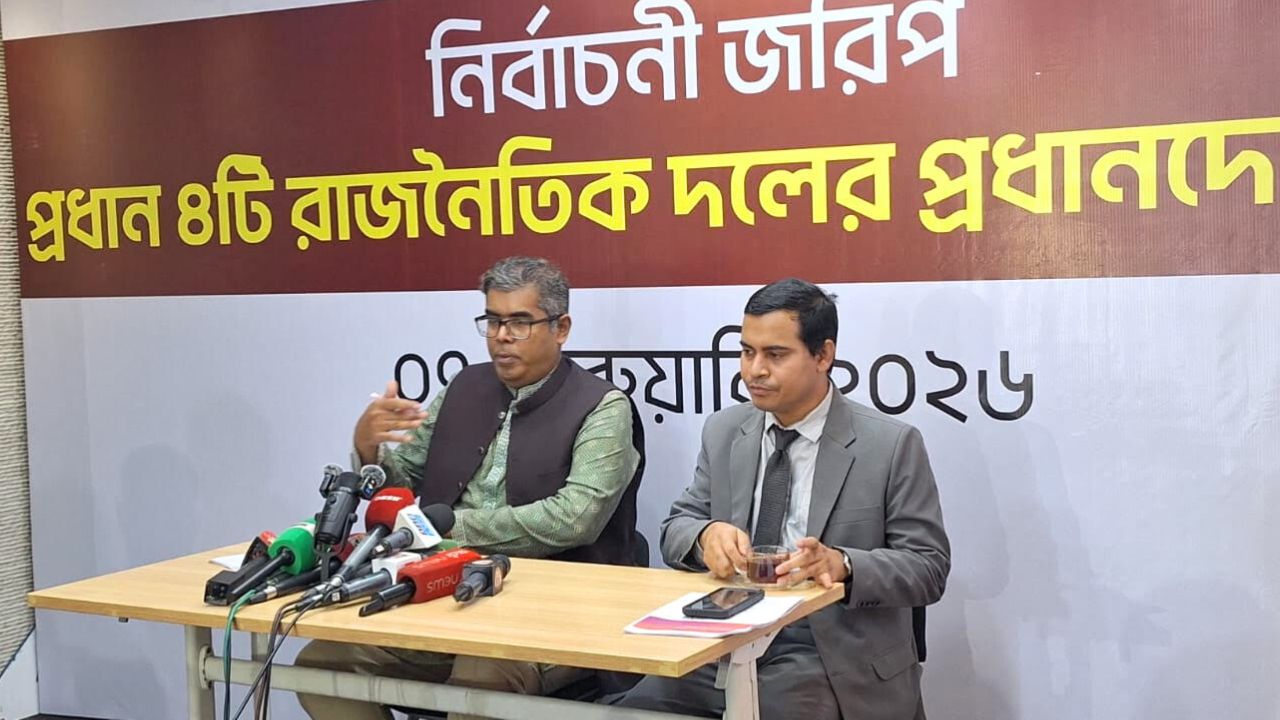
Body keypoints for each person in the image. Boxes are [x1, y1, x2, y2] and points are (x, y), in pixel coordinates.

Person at [297, 256, 644, 720]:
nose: (501, 336)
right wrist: (370, 448)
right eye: (493, 321)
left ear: (561, 328)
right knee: (321, 666)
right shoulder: (463, 386)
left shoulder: (602, 407)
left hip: (553, 616)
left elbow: (574, 519)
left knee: (480, 680)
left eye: (519, 323)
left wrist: (447, 529)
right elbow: (404, 483)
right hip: (440, 598)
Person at [610, 278, 949, 720]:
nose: (754, 371)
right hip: (723, 641)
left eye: (775, 355)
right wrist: (705, 536)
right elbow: (677, 526)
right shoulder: (725, 430)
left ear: (823, 356)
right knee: (628, 711)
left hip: (825, 653)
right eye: (747, 352)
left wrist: (843, 564)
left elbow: (928, 566)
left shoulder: (889, 444)